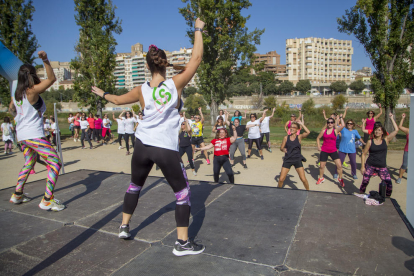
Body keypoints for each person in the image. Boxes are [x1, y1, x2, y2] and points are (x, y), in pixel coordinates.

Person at [91, 18, 206, 256]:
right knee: (183, 194)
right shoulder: (176, 84)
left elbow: (114, 100)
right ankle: (182, 244)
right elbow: (196, 59)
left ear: (147, 67)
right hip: (164, 148)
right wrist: (198, 29)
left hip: (141, 146)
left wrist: (102, 93)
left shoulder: (140, 90)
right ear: (164, 65)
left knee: (134, 186)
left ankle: (124, 226)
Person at [8, 51, 64, 211]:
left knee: (29, 163)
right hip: (34, 135)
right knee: (55, 162)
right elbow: (52, 79)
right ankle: (47, 199)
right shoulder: (31, 91)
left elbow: (12, 111)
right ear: (31, 75)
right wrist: (46, 60)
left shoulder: (17, 95)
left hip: (22, 136)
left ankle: (17, 194)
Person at [360, 113, 398, 196]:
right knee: (365, 182)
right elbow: (364, 154)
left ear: (382, 132)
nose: (377, 131)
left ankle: (387, 199)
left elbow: (396, 130)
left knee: (389, 185)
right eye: (376, 130)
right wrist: (362, 167)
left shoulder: (386, 140)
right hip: (370, 165)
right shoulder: (370, 141)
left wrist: (391, 118)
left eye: (379, 130)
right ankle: (361, 194)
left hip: (382, 166)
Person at [278, 119, 310, 190]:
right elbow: (281, 148)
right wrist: (283, 149)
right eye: (291, 127)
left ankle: (309, 191)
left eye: (294, 127)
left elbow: (308, 132)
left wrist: (301, 124)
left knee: (303, 179)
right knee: (281, 179)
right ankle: (278, 191)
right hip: (288, 159)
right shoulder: (286, 138)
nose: (292, 128)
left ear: (297, 129)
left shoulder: (299, 137)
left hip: (297, 159)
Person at [316, 115, 345, 186]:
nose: (330, 123)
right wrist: (319, 146)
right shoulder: (324, 131)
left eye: (332, 122)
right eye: (328, 122)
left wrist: (341, 118)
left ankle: (340, 179)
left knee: (339, 165)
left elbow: (343, 125)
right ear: (327, 123)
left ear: (334, 123)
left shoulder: (336, 130)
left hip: (333, 151)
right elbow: (318, 138)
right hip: (324, 150)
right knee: (322, 166)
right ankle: (321, 178)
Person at [396, 113, 409, 184]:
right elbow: (400, 127)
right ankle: (400, 178)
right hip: (407, 150)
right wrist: (403, 118)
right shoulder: (408, 130)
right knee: (404, 165)